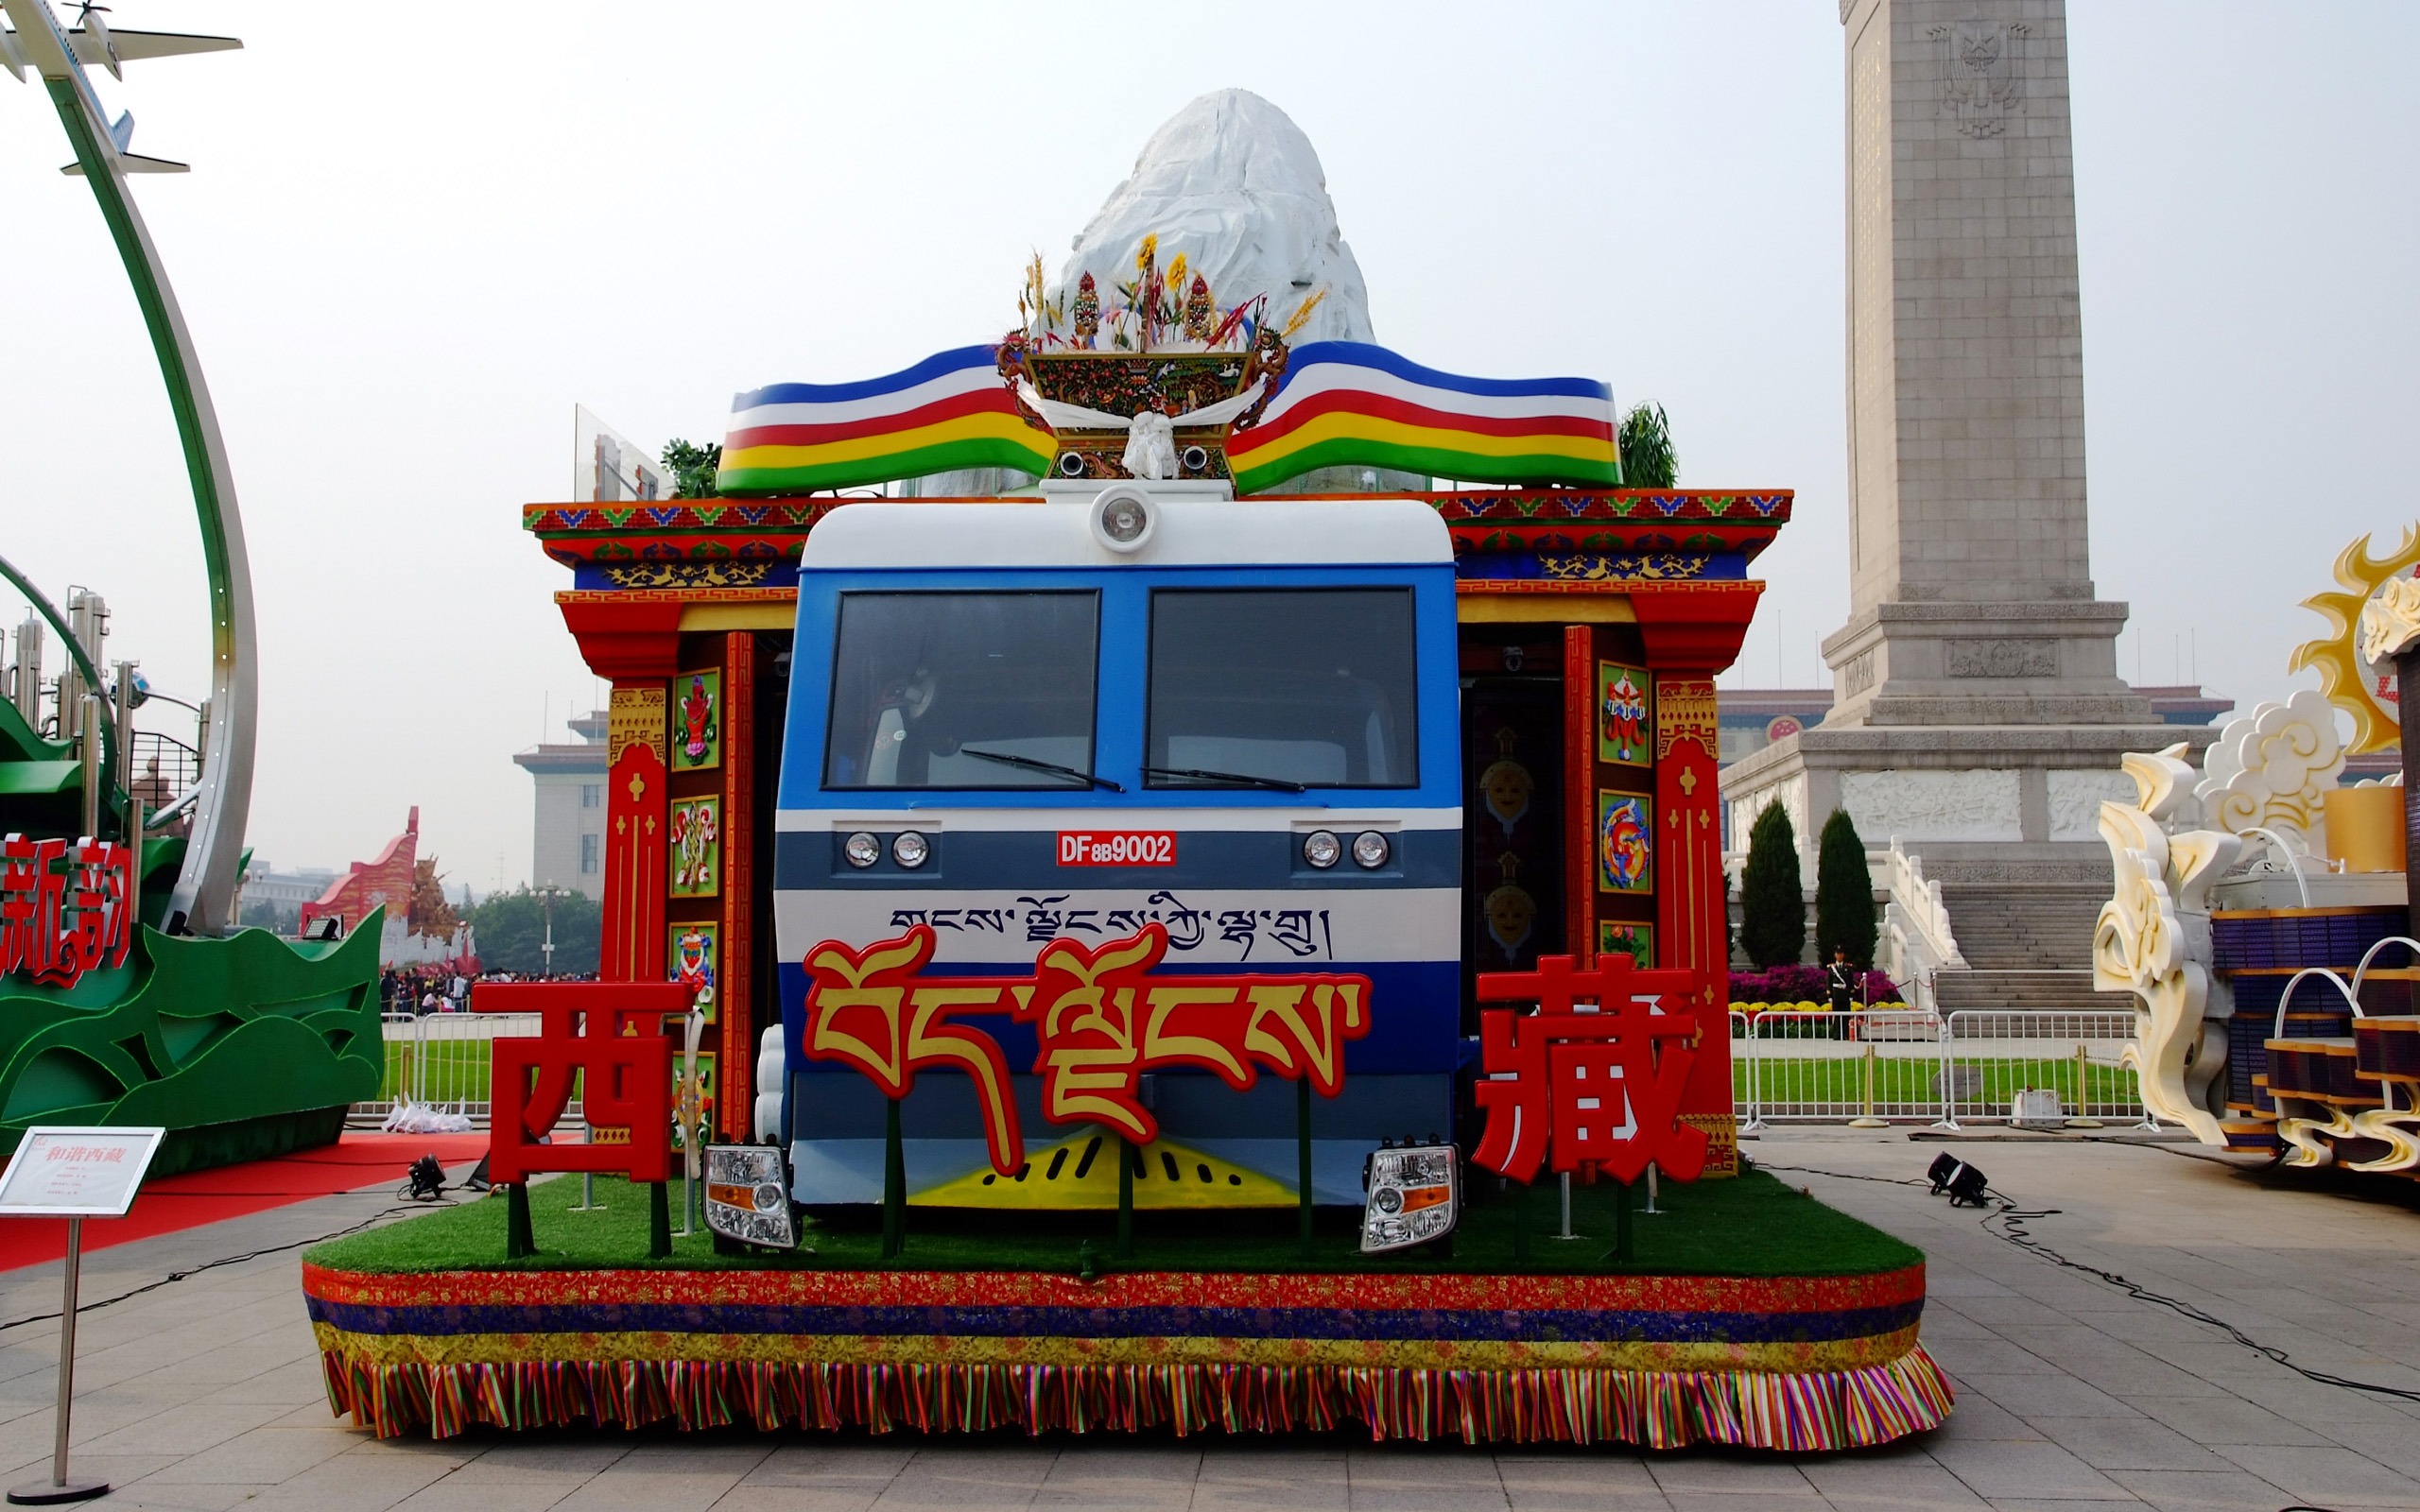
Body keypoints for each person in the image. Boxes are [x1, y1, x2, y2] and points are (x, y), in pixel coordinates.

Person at [1825, 949, 1859, 1014]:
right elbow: (1829, 982)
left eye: (1841, 953)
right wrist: (1829, 995)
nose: (1839, 955)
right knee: (1836, 1014)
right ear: (1835, 955)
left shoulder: (1848, 967)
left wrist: (1851, 995)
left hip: (1845, 993)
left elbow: (1850, 981)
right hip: (1836, 994)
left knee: (1846, 1014)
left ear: (1843, 955)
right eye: (1838, 954)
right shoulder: (1831, 968)